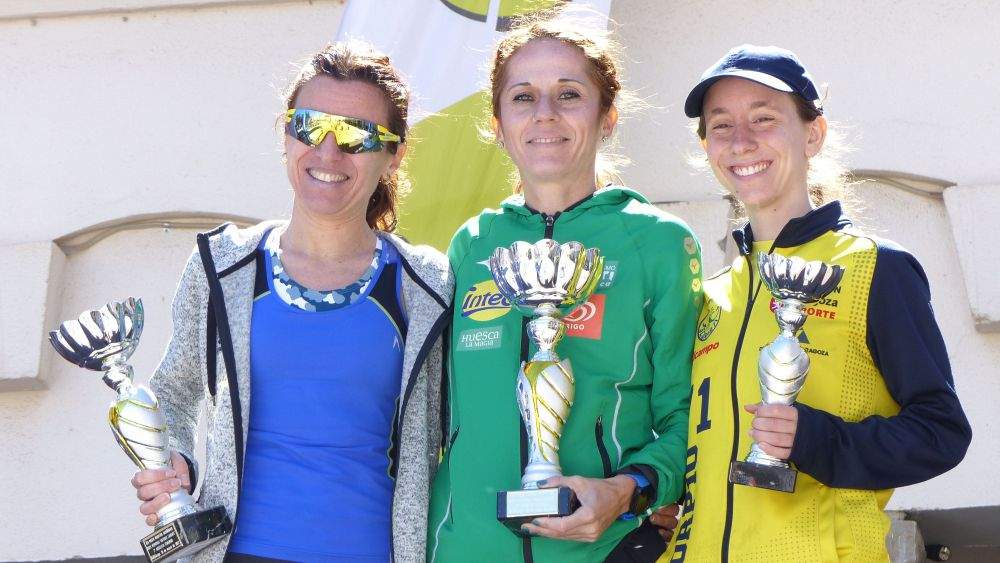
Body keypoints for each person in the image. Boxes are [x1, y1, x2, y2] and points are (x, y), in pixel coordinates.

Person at [129, 42, 453, 562]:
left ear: (394, 154)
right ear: (286, 134)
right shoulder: (223, 264)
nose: (328, 151)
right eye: (309, 125)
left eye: (357, 133)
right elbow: (175, 389)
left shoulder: (427, 284)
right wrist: (176, 459)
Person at [653, 45, 972, 562]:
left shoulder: (876, 268)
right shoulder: (711, 294)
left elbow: (942, 431)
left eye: (764, 118)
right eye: (722, 125)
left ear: (813, 134)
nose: (741, 141)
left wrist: (816, 439)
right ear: (707, 146)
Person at [427, 9, 703, 563]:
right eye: (523, 97)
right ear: (498, 123)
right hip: (464, 547)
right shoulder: (472, 246)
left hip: (605, 549)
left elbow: (687, 418)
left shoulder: (659, 243)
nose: (545, 113)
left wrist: (631, 490)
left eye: (569, 94)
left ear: (608, 117)